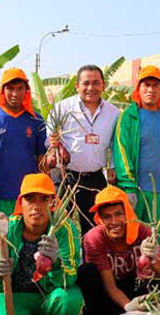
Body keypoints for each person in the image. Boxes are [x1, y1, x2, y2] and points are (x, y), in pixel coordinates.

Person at [0, 173, 83, 315]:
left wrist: (56, 263)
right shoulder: (6, 228)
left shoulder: (64, 228)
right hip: (15, 297)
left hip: (48, 297)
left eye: (44, 199)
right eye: (30, 199)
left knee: (69, 299)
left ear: (52, 203)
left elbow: (71, 276)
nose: (37, 206)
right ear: (21, 203)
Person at [76, 185, 160, 315]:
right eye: (107, 217)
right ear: (99, 219)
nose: (114, 222)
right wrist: (129, 307)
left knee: (157, 279)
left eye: (119, 214)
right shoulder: (93, 239)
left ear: (127, 212)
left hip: (136, 287)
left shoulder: (143, 232)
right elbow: (110, 285)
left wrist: (154, 259)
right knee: (87, 272)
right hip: (108, 292)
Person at [112, 65, 160, 255]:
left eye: (155, 86)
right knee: (132, 237)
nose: (151, 90)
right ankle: (132, 280)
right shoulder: (128, 117)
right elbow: (121, 152)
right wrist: (129, 187)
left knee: (157, 239)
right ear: (138, 89)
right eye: (146, 85)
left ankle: (157, 280)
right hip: (136, 192)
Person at [46, 64, 119, 234]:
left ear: (103, 85)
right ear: (77, 86)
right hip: (65, 176)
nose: (90, 88)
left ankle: (90, 260)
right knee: (59, 226)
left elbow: (116, 144)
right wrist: (54, 146)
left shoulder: (113, 113)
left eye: (96, 83)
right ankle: (64, 261)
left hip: (94, 178)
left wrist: (113, 167)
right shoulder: (62, 108)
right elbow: (49, 140)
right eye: (85, 83)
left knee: (95, 230)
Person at [0, 68, 46, 216]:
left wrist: (46, 194)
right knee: (1, 237)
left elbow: (42, 160)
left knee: (29, 237)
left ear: (26, 90)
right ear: (2, 90)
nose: (15, 94)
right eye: (10, 88)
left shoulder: (36, 120)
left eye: (19, 88)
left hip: (30, 196)